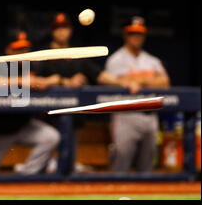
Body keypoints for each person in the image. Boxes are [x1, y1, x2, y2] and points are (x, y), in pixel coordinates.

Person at [31, 13, 129, 173]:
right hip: (48, 115)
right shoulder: (44, 54)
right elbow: (34, 81)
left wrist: (122, 82)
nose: (62, 32)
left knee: (68, 162)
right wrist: (64, 82)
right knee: (46, 165)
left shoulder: (78, 54)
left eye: (65, 28)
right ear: (52, 31)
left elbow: (100, 75)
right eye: (58, 28)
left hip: (73, 116)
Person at [0, 31, 61, 175]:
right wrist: (26, 82)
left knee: (51, 137)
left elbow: (55, 78)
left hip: (22, 126)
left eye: (25, 49)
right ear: (8, 50)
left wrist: (44, 81)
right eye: (18, 49)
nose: (22, 53)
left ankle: (27, 177)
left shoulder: (33, 66)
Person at [105, 16, 170, 173]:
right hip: (125, 116)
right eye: (132, 33)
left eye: (139, 34)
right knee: (121, 165)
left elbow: (165, 83)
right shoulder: (116, 59)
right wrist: (149, 79)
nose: (136, 37)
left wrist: (138, 80)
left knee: (147, 168)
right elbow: (114, 80)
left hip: (149, 117)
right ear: (125, 35)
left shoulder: (151, 60)